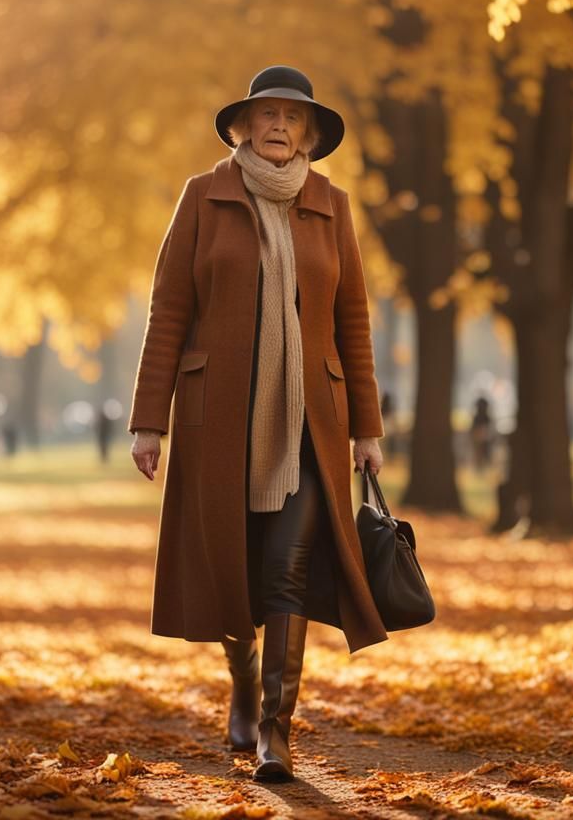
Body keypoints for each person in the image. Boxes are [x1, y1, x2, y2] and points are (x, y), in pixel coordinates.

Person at [129, 66, 386, 783]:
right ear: (241, 127)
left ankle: (277, 729)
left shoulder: (332, 205)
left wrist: (367, 427)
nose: (279, 125)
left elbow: (353, 322)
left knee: (287, 568)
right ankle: (242, 683)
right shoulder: (202, 197)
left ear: (309, 135)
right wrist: (149, 421)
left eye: (292, 117)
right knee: (232, 563)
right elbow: (169, 310)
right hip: (219, 418)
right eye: (267, 114)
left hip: (311, 423)